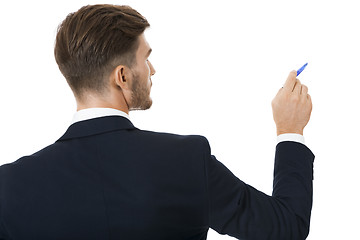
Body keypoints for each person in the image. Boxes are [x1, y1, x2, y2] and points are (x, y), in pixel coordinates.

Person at [0, 4, 314, 240]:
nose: (152, 69)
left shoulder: (10, 186)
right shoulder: (186, 160)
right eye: (145, 57)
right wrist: (290, 130)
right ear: (122, 76)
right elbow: (285, 227)